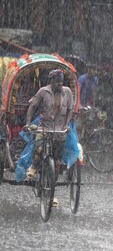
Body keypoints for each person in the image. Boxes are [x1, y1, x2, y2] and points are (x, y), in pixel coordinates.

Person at [25, 69, 74, 206]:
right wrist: (28, 123)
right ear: (51, 81)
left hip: (59, 131)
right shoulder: (43, 92)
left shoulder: (67, 92)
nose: (60, 84)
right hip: (44, 128)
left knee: (57, 164)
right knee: (40, 148)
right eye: (57, 81)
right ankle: (34, 166)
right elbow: (32, 106)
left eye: (61, 81)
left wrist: (66, 124)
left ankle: (51, 192)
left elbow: (70, 109)